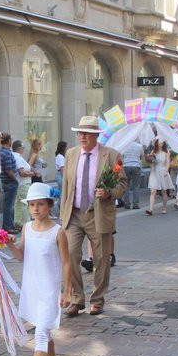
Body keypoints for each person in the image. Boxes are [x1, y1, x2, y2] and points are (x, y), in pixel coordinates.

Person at [8, 182, 70, 356]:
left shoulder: (57, 232)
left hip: (49, 290)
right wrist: (9, 244)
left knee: (42, 332)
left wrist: (67, 290)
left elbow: (67, 263)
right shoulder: (27, 228)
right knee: (43, 328)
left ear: (49, 206)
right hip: (32, 288)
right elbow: (22, 256)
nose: (35, 209)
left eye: (40, 204)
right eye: (32, 205)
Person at [59, 116, 126, 316]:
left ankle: (97, 299)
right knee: (70, 255)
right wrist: (63, 215)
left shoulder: (111, 156)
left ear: (95, 135)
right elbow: (66, 187)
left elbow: (122, 184)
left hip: (98, 214)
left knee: (101, 259)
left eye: (86, 133)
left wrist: (108, 193)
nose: (82, 137)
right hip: (74, 214)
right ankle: (77, 299)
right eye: (79, 133)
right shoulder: (71, 154)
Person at [0, 135, 19, 231]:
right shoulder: (7, 153)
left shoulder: (0, 152)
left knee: (8, 205)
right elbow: (9, 169)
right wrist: (16, 179)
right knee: (9, 205)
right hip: (10, 182)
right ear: (9, 141)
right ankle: (8, 226)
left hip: (4, 181)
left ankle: (10, 224)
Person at [146, 140, 172, 215]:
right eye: (160, 142)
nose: (161, 143)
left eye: (162, 142)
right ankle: (150, 209)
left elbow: (167, 162)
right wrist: (150, 160)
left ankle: (164, 208)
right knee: (153, 191)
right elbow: (150, 162)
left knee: (163, 191)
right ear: (156, 142)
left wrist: (166, 171)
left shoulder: (166, 152)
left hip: (162, 171)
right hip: (154, 171)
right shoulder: (153, 152)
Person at [121, 139, 144, 210]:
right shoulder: (139, 146)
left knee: (126, 186)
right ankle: (135, 204)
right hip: (136, 166)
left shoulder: (124, 145)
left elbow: (122, 156)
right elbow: (141, 156)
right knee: (136, 186)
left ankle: (127, 203)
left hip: (126, 166)